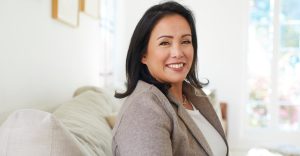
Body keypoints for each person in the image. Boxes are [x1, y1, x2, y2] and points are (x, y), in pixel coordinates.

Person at [112, 1, 228, 156]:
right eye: (165, 43)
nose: (178, 52)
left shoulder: (192, 95)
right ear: (143, 54)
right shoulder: (144, 109)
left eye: (186, 41)